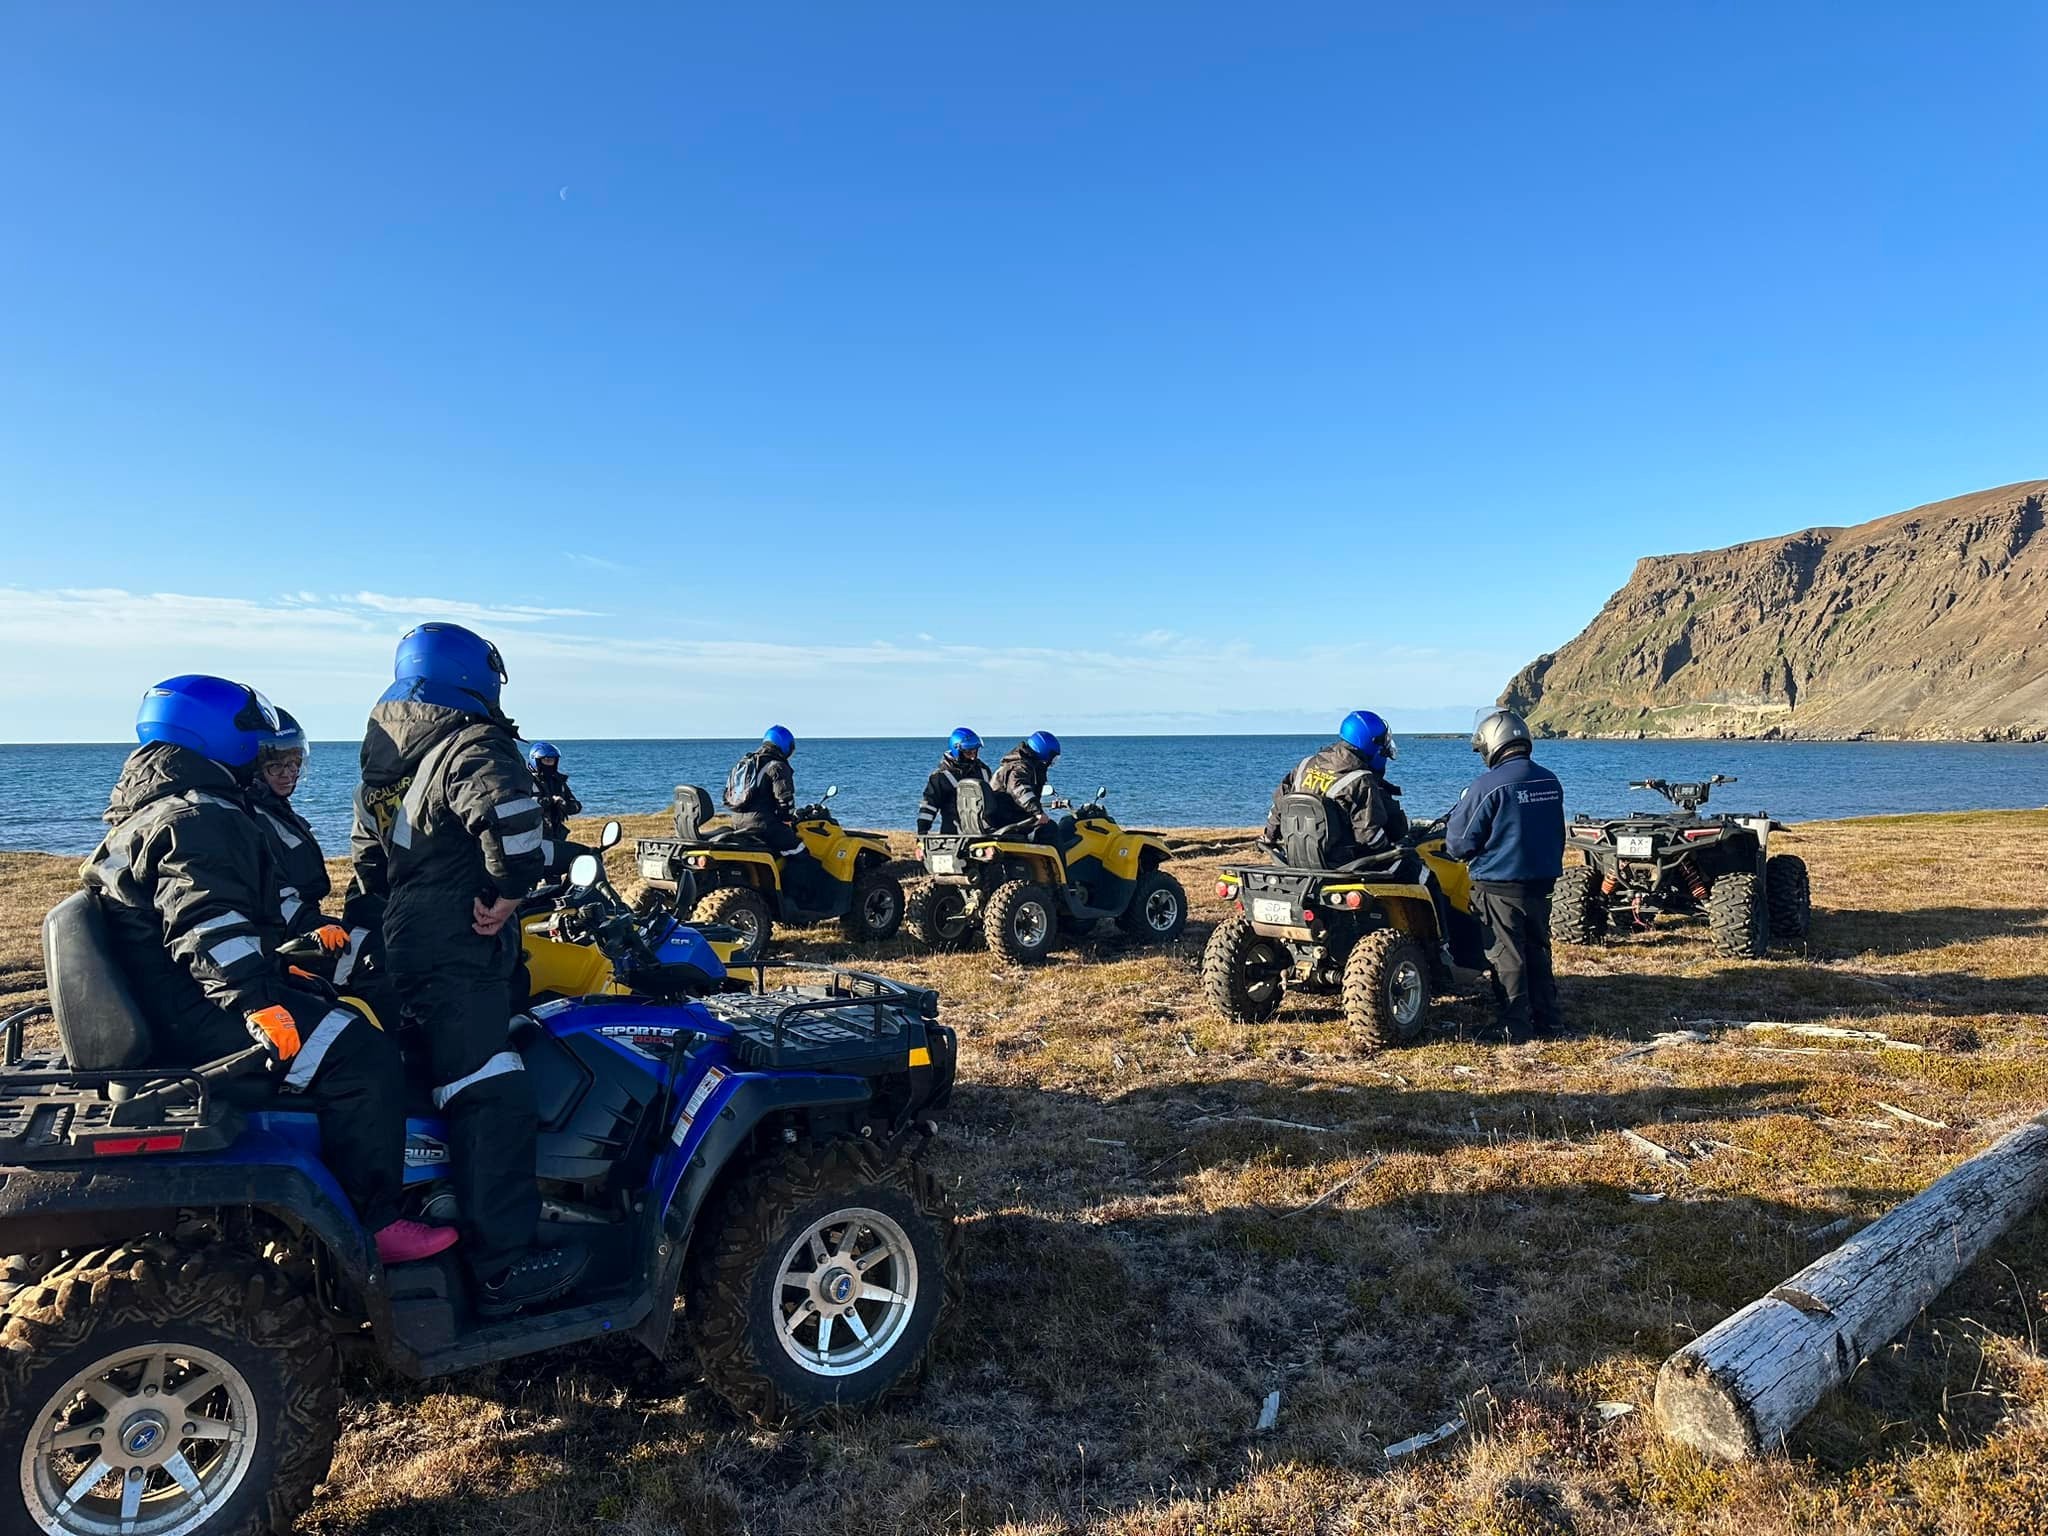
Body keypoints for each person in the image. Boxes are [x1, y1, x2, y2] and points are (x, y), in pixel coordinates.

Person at [82, 675, 451, 1265]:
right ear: (217, 736)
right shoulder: (197, 816)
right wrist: (257, 999)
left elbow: (235, 904)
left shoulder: (165, 808)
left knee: (350, 1015)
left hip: (175, 998)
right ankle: (374, 1223)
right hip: (201, 1015)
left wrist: (302, 945)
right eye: (252, 732)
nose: (262, 747)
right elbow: (206, 922)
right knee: (363, 1057)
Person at [351, 623, 588, 1315]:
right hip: (459, 937)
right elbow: (514, 827)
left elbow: (367, 865)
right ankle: (502, 1268)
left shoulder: (386, 762)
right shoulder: (473, 742)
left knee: (428, 1075)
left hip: (405, 937)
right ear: (473, 676)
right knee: (491, 1091)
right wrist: (511, 888)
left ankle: (432, 1208)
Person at [1446, 708, 1567, 1042]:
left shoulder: (1488, 786)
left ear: (1492, 744)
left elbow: (1458, 843)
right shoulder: (1549, 780)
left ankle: (1514, 1025)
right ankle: (1549, 1020)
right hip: (1541, 882)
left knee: (1505, 953)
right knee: (1538, 949)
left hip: (1499, 883)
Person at [1262, 710, 1408, 859]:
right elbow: (1369, 833)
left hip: (1297, 857)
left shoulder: (1305, 765)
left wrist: (1269, 838)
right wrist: (1390, 850)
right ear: (1372, 744)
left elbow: (1278, 806)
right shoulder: (1360, 780)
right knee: (1411, 864)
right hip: (1342, 863)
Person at [916, 727, 992, 834]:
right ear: (957, 751)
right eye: (968, 753)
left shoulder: (983, 770)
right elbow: (928, 807)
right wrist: (922, 832)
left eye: (975, 752)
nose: (973, 757)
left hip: (985, 832)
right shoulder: (941, 777)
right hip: (954, 835)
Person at [989, 730, 1062, 837]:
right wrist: (1038, 812)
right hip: (1006, 818)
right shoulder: (1020, 767)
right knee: (1049, 828)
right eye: (1053, 757)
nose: (1052, 762)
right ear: (1044, 752)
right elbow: (1020, 789)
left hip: (1004, 814)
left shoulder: (1025, 764)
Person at [526, 741, 583, 841]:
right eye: (546, 760)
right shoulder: (527, 780)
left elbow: (576, 806)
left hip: (557, 834)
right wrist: (550, 801)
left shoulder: (558, 782)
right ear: (536, 760)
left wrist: (565, 804)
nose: (549, 763)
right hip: (533, 834)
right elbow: (525, 803)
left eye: (552, 760)